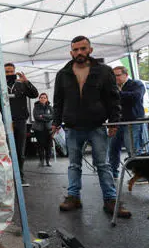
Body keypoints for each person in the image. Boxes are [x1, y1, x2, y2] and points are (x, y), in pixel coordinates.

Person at [52, 35, 131, 218]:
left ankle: (111, 200)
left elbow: (113, 98)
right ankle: (73, 197)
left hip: (97, 125)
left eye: (83, 48)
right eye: (76, 49)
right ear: (71, 52)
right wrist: (56, 122)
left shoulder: (104, 71)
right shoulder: (62, 74)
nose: (80, 52)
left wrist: (114, 121)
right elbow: (58, 101)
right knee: (73, 165)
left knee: (103, 164)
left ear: (90, 50)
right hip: (72, 127)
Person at [0, 63, 39, 182]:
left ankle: (20, 176)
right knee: (4, 149)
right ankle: (7, 176)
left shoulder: (21, 85)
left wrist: (26, 81)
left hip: (20, 121)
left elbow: (35, 94)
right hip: (4, 121)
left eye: (11, 71)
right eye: (6, 72)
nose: (9, 74)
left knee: (20, 150)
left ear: (15, 72)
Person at [108, 66, 147, 179]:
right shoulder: (114, 87)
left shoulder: (136, 84)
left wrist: (116, 94)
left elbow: (135, 97)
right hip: (117, 122)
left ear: (126, 74)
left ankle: (141, 175)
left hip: (133, 122)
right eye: (113, 76)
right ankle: (113, 173)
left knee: (133, 150)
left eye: (118, 75)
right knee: (113, 149)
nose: (115, 78)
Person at [33, 93, 53, 167]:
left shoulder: (50, 107)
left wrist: (43, 116)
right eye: (41, 97)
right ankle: (41, 161)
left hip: (48, 129)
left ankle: (48, 161)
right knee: (40, 146)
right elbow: (36, 117)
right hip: (39, 129)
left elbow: (52, 116)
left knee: (48, 146)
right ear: (39, 99)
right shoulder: (36, 107)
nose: (43, 99)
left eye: (44, 98)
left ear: (47, 99)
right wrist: (46, 118)